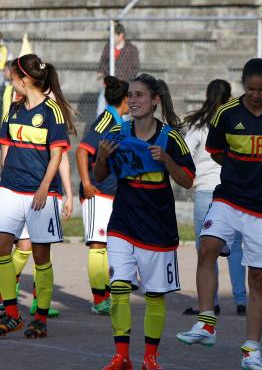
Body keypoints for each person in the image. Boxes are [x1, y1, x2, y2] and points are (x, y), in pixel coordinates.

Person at [176, 58, 262, 370]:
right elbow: (217, 152)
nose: (256, 95)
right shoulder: (226, 113)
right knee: (207, 248)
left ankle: (252, 350)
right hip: (228, 197)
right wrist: (241, 171)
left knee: (258, 280)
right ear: (243, 85)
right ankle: (206, 323)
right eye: (251, 89)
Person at [94, 74, 195, 370]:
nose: (134, 100)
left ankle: (150, 358)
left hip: (157, 227)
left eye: (140, 95)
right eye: (131, 96)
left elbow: (188, 181)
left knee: (154, 295)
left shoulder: (170, 138)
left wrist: (166, 159)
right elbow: (100, 176)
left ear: (155, 100)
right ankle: (121, 355)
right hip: (123, 222)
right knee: (119, 288)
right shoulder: (117, 131)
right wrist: (101, 157)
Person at [0, 53, 74, 338]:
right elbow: (5, 146)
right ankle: (11, 314)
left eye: (12, 76)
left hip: (42, 194)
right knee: (2, 248)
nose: (10, 80)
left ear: (25, 79)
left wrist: (45, 187)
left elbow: (57, 154)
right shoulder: (14, 109)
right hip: (10, 188)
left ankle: (40, 317)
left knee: (41, 257)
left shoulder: (53, 112)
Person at [183, 79, 247, 316]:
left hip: (206, 192)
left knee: (206, 251)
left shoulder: (199, 125)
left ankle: (211, 302)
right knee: (235, 249)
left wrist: (191, 174)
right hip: (232, 191)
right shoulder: (236, 121)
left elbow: (185, 153)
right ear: (229, 96)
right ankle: (241, 300)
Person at [76, 75, 128, 315]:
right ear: (125, 99)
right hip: (97, 190)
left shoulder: (118, 120)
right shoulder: (106, 120)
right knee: (98, 244)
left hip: (110, 191)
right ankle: (99, 300)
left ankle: (105, 295)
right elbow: (82, 150)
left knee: (107, 245)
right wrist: (86, 183)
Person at [0, 151, 73, 319]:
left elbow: (61, 156)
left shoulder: (57, 124)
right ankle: (7, 299)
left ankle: (39, 307)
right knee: (22, 248)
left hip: (43, 194)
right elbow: (6, 151)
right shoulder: (9, 123)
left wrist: (68, 194)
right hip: (15, 191)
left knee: (40, 253)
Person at [96, 22, 139, 116]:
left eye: (113, 35)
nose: (111, 37)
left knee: (124, 113)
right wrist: (101, 72)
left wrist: (123, 80)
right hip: (110, 86)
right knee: (101, 108)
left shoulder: (131, 49)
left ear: (121, 35)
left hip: (123, 87)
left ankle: (123, 130)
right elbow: (103, 61)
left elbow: (135, 68)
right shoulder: (108, 47)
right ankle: (101, 128)